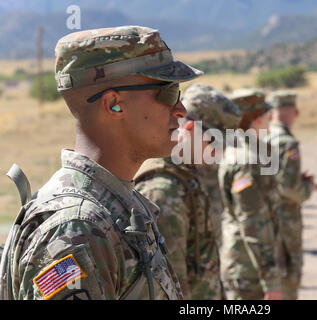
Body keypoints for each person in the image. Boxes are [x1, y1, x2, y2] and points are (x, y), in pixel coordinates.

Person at [0, 26, 203, 300]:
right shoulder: (77, 229)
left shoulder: (119, 205)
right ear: (114, 104)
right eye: (169, 92)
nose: (181, 110)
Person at [134, 84, 241, 299]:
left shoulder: (187, 175)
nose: (220, 153)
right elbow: (169, 287)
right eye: (216, 143)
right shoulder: (164, 190)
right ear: (191, 129)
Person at [219, 88, 282, 300]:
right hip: (249, 268)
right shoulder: (248, 161)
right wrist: (270, 280)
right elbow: (252, 221)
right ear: (256, 121)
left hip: (246, 261)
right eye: (268, 117)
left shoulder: (239, 151)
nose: (271, 122)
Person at [265, 90, 314, 300]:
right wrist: (308, 187)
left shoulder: (262, 138)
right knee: (288, 280)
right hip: (285, 221)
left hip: (265, 219)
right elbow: (291, 189)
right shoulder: (287, 143)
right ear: (295, 112)